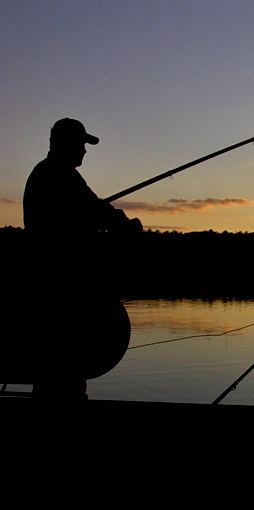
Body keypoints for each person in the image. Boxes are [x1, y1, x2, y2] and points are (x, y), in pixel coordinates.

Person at [21, 118, 142, 400]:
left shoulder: (46, 173)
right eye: (81, 144)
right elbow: (97, 211)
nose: (85, 151)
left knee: (52, 372)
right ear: (65, 143)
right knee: (64, 370)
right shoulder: (59, 174)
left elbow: (89, 209)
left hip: (48, 285)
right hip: (61, 289)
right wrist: (128, 226)